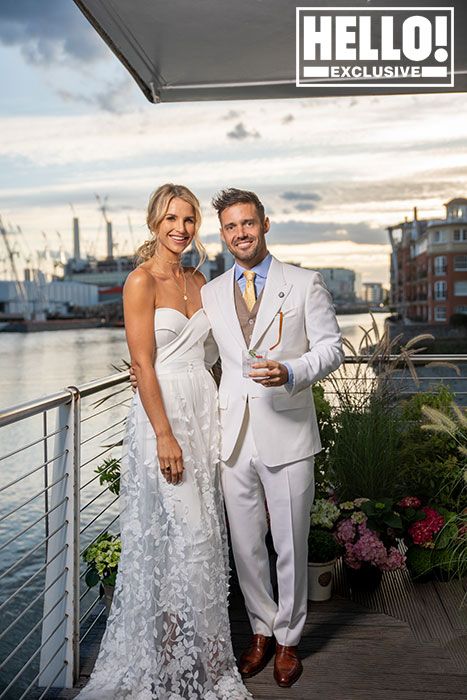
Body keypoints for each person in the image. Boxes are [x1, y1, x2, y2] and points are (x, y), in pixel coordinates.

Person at [132, 187, 344, 688]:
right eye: (230, 226)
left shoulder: (305, 283)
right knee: (246, 545)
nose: (240, 233)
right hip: (226, 435)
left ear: (265, 225)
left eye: (248, 223)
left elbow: (333, 349)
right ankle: (261, 631)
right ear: (222, 233)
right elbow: (190, 354)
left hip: (287, 430)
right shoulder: (210, 289)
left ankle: (290, 639)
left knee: (289, 542)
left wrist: (292, 371)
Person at [77, 184, 251, 700]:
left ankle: (196, 652)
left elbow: (218, 357)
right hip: (165, 419)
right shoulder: (140, 282)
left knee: (202, 539)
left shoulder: (200, 281)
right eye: (172, 218)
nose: (181, 228)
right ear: (154, 222)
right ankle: (192, 665)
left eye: (190, 219)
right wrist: (164, 434)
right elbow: (143, 365)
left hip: (203, 412)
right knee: (187, 536)